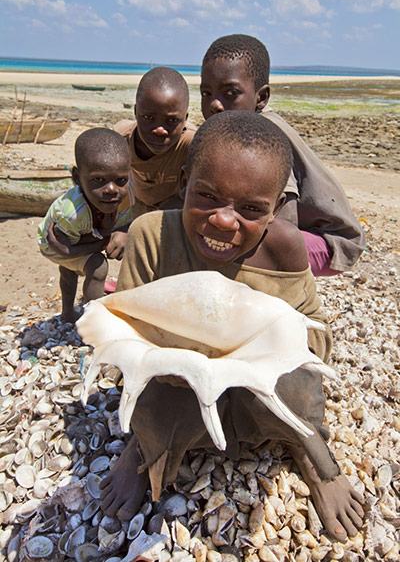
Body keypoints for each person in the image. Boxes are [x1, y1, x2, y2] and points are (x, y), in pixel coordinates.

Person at [99, 111, 364, 543]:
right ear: (183, 183)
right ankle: (145, 450)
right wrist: (173, 358)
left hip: (259, 378)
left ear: (277, 209)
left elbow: (317, 333)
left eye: (251, 209)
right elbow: (120, 328)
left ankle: (308, 450)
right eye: (207, 196)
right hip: (178, 377)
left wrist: (271, 345)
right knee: (152, 400)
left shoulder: (284, 247)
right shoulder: (152, 235)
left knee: (297, 388)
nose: (224, 220)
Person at [200, 34, 365, 276]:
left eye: (231, 93)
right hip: (304, 233)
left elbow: (281, 223)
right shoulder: (242, 130)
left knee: (243, 248)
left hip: (330, 242)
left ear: (261, 97)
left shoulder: (262, 140)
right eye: (206, 93)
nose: (215, 104)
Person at [37, 128, 134, 323]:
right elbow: (67, 251)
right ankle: (95, 322)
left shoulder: (127, 194)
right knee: (96, 267)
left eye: (121, 180)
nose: (111, 190)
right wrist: (104, 240)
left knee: (69, 271)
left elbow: (127, 224)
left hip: (86, 235)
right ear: (76, 177)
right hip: (55, 244)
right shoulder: (70, 214)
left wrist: (121, 232)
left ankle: (67, 314)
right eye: (98, 180)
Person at [115, 66, 196, 219]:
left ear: (185, 119)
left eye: (172, 120)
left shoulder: (192, 145)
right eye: (148, 118)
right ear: (135, 112)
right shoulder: (121, 140)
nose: (160, 130)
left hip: (176, 208)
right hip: (137, 202)